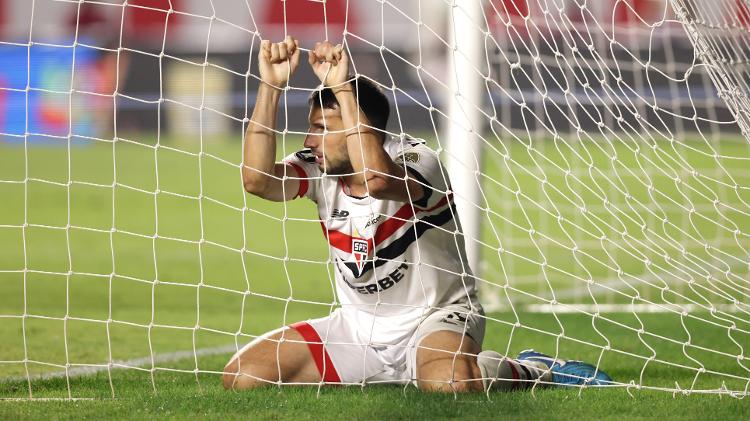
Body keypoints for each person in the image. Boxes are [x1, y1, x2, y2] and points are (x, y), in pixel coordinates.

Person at [222, 36, 613, 392]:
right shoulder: (318, 167)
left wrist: (343, 87)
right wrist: (271, 86)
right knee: (243, 377)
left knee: (449, 384)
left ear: (366, 129)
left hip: (437, 318)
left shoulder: (417, 160)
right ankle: (381, 368)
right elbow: (257, 181)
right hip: (357, 330)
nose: (309, 141)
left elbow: (376, 180)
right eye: (311, 128)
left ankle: (530, 369)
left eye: (323, 128)